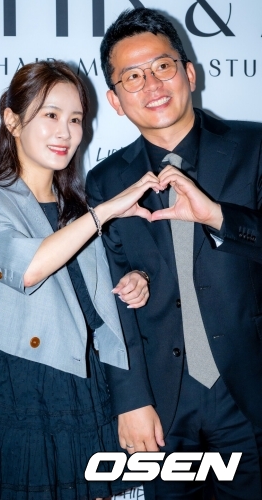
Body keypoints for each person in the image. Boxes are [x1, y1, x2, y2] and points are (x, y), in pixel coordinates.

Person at [0, 60, 162, 500]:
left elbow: (90, 301)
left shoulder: (79, 211)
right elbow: (28, 267)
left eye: (75, 119)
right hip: (19, 393)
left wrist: (136, 279)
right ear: (12, 120)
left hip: (89, 389)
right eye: (50, 115)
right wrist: (104, 211)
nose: (65, 132)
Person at [86, 8, 262, 499]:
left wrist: (219, 217)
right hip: (162, 407)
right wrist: (131, 400)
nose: (151, 85)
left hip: (248, 393)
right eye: (132, 76)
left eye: (162, 66)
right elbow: (110, 305)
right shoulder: (106, 183)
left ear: (189, 73)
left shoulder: (254, 147)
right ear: (115, 100)